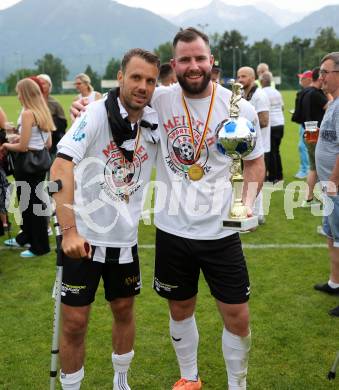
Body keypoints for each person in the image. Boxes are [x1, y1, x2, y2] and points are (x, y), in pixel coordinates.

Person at [71, 28, 265, 390]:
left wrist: (247, 204)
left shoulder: (241, 107)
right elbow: (117, 101)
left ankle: (237, 384)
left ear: (211, 60)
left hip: (221, 231)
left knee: (237, 316)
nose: (193, 66)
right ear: (174, 65)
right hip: (173, 230)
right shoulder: (158, 100)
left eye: (200, 58)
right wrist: (84, 105)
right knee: (179, 309)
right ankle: (189, 377)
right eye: (185, 60)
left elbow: (254, 162)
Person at [50, 48, 160, 390]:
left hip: (124, 239)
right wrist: (69, 231)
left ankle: (121, 382)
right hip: (82, 238)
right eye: (136, 77)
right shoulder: (96, 113)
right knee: (73, 323)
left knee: (124, 309)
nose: (142, 86)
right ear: (121, 76)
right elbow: (61, 164)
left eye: (150, 80)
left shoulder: (154, 121)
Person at [2, 78, 54, 257]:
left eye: (18, 92)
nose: (17, 96)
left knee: (31, 205)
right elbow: (47, 143)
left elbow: (23, 147)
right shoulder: (42, 110)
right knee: (31, 203)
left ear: (24, 93)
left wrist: (7, 145)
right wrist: (21, 140)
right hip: (40, 162)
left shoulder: (27, 113)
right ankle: (27, 237)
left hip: (27, 163)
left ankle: (39, 246)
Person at [313, 52, 339, 317]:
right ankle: (335, 282)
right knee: (332, 236)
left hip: (336, 186)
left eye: (325, 71)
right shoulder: (332, 103)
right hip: (329, 185)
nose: (321, 76)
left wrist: (333, 181)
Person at [237, 66, 269, 225]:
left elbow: (264, 120)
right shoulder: (243, 94)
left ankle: (259, 213)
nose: (240, 79)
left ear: (252, 77)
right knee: (243, 177)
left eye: (243, 76)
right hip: (246, 145)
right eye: (238, 76)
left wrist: (245, 125)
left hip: (261, 144)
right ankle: (248, 209)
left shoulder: (259, 94)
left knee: (257, 177)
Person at [299, 67, 329, 207]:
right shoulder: (317, 94)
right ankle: (324, 196)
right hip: (318, 134)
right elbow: (331, 108)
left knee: (313, 168)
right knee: (322, 168)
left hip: (308, 132)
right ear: (319, 78)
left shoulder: (305, 92)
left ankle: (309, 197)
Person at [260, 71, 284, 183]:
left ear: (261, 81)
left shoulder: (262, 93)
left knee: (271, 152)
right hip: (280, 123)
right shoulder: (277, 92)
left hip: (271, 124)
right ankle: (279, 175)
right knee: (276, 151)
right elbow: (282, 107)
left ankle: (273, 176)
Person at [37, 74, 68, 160]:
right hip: (35, 143)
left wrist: (50, 122)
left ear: (49, 85)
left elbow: (63, 123)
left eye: (43, 83)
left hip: (53, 142)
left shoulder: (55, 103)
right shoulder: (31, 102)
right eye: (38, 83)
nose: (40, 85)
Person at [292, 70, 313, 179]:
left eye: (302, 78)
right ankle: (307, 169)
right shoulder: (305, 92)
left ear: (309, 80)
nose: (300, 81)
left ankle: (306, 170)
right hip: (303, 124)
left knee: (304, 146)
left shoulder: (312, 93)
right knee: (304, 146)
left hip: (310, 124)